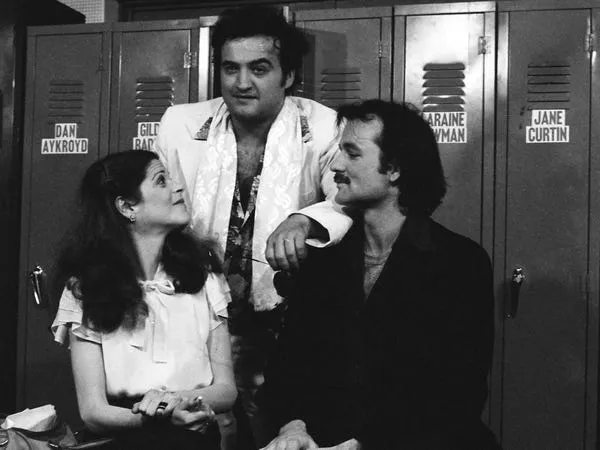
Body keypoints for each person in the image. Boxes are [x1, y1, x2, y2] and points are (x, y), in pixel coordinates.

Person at [154, 5, 351, 449]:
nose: (242, 83)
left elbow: (346, 200)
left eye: (259, 69)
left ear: (287, 75)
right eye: (231, 69)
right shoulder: (181, 125)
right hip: (201, 312)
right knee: (205, 429)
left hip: (283, 317)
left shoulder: (321, 127)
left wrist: (305, 218)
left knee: (276, 427)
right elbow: (156, 208)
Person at [262, 100, 501, 450]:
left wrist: (363, 444)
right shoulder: (322, 261)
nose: (336, 166)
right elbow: (288, 370)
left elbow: (458, 392)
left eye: (352, 153)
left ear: (394, 169)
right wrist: (293, 428)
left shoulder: (459, 263)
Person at [51, 150, 237, 449]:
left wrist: (180, 401)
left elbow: (226, 390)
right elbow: (93, 411)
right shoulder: (86, 289)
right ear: (127, 207)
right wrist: (160, 417)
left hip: (194, 436)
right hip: (124, 439)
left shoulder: (205, 277)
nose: (178, 187)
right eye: (161, 180)